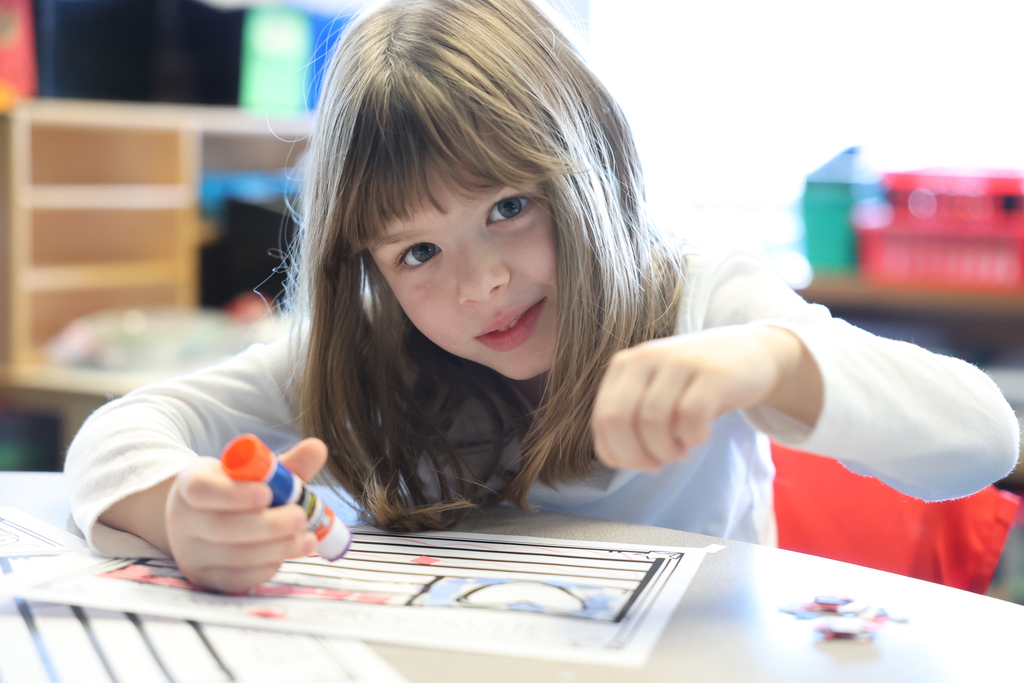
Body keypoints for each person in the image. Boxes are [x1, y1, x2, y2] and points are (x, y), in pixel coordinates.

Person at [65, 0, 1019, 593]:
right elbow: (121, 430)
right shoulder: (365, 343)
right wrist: (177, 510)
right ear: (364, 265)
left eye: (511, 207)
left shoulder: (692, 288)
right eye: (418, 250)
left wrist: (769, 358)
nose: (481, 282)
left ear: (593, 170)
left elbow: (984, 437)